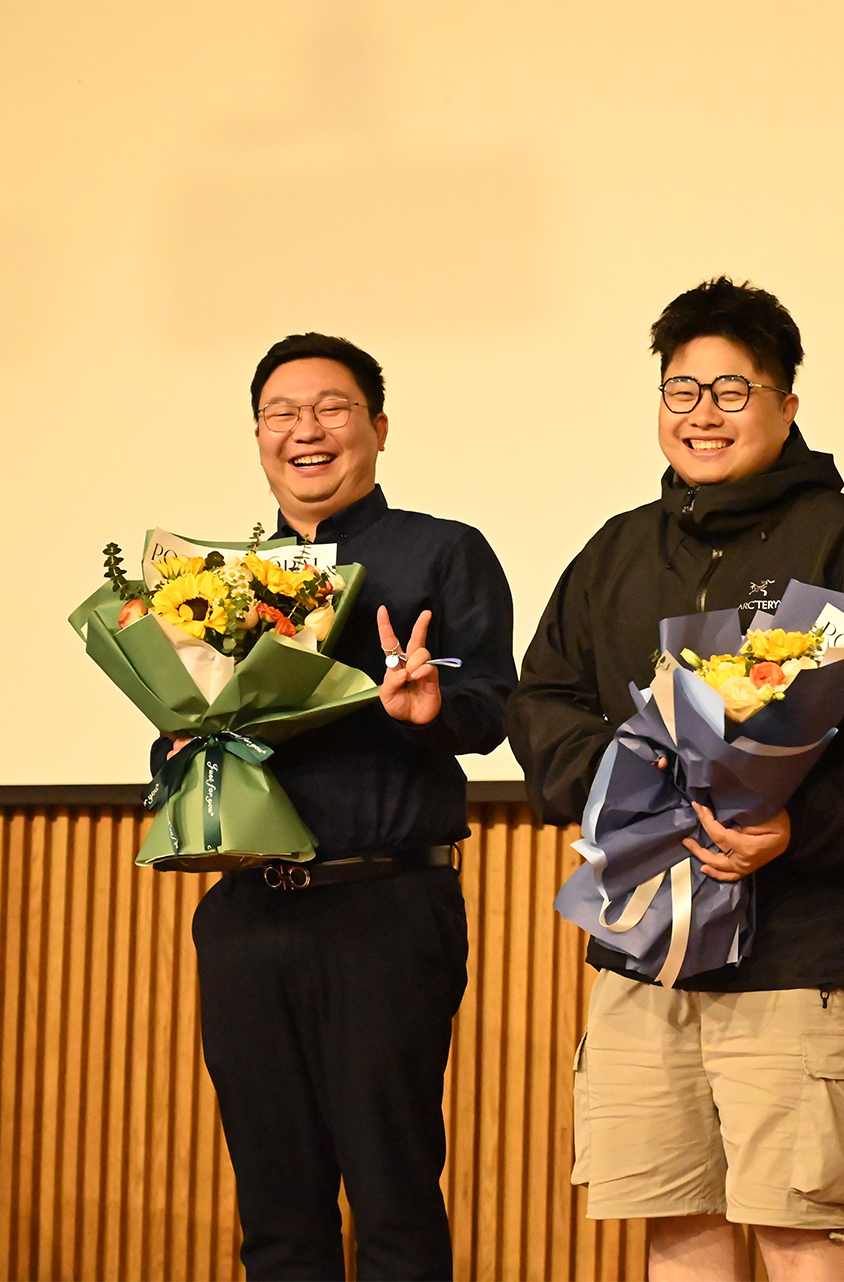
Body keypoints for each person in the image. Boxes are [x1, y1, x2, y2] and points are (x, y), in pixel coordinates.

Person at [507, 279, 844, 1281]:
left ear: (786, 404)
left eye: (731, 391)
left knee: (801, 1225)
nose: (702, 414)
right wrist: (627, 789)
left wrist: (798, 825)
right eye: (682, 391)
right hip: (644, 946)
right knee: (676, 1222)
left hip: (799, 946)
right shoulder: (617, 550)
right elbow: (544, 697)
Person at [159, 333, 514, 1281]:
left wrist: (428, 709)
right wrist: (181, 744)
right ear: (259, 436)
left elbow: (491, 708)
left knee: (393, 1196)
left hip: (383, 908)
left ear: (378, 428)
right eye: (281, 413)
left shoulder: (441, 551)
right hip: (247, 914)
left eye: (331, 409)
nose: (305, 431)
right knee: (275, 1207)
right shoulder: (218, 586)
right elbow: (183, 724)